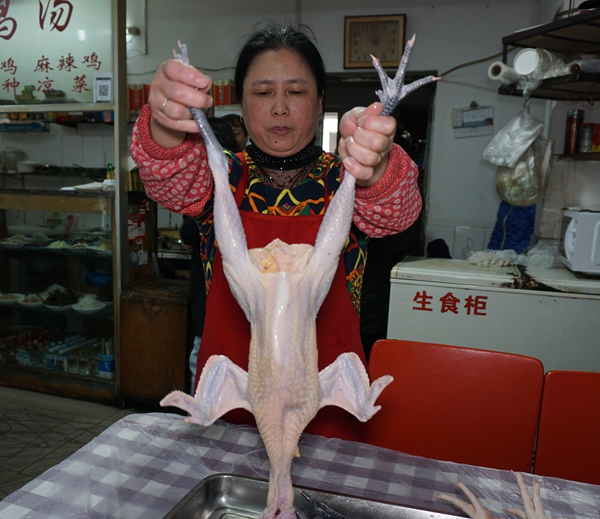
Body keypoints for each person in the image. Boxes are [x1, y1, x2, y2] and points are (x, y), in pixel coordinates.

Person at [130, 23, 422, 442]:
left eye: (297, 92)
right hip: (230, 403)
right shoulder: (215, 175)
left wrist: (375, 168)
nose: (280, 108)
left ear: (320, 100)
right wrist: (166, 124)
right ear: (243, 102)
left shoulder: (349, 178)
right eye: (263, 92)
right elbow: (165, 173)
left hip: (329, 405)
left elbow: (397, 214)